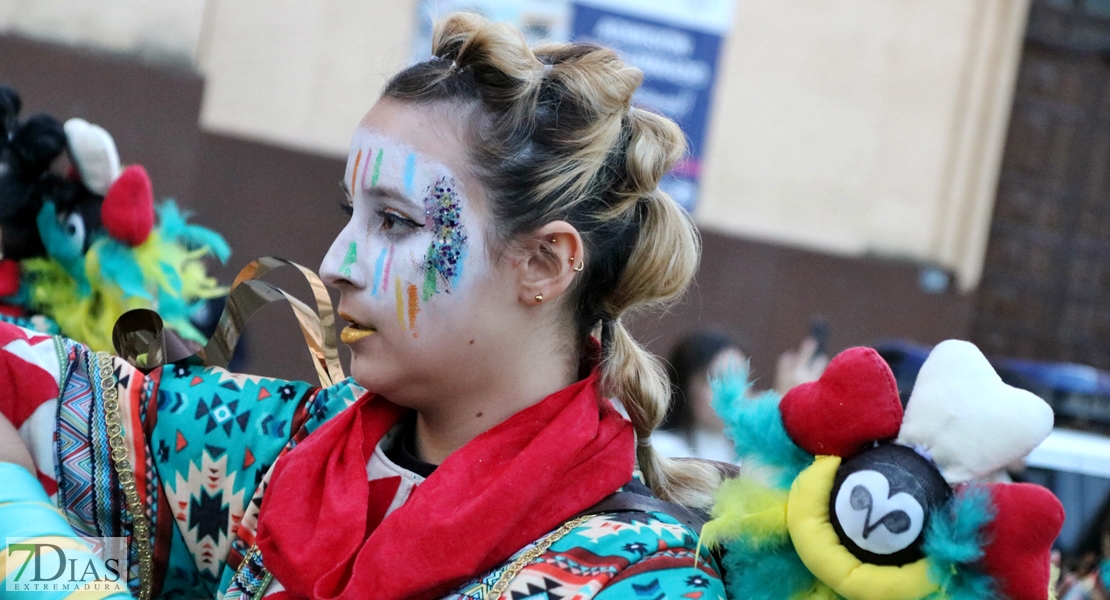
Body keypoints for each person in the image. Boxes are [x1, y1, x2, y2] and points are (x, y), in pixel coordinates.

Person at [0, 12, 728, 600]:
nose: (335, 264)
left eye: (397, 222)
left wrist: (36, 557)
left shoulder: (643, 579)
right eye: (351, 213)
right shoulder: (282, 449)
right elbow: (25, 386)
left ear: (542, 264)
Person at [656, 330, 746, 462]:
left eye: (741, 379)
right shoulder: (662, 450)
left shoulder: (746, 456)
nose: (734, 393)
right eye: (720, 379)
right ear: (685, 385)